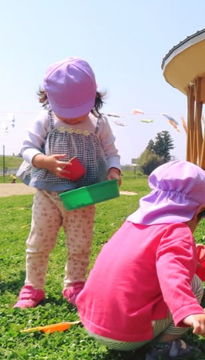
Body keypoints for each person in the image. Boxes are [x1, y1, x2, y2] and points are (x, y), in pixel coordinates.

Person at [76, 161, 205, 359]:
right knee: (195, 285)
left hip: (92, 321)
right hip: (125, 336)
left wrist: (189, 258)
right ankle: (164, 347)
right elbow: (171, 272)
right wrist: (188, 309)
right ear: (199, 210)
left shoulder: (133, 222)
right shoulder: (178, 230)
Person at [13, 57, 122, 309]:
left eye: (78, 111)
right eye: (66, 112)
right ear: (49, 100)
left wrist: (114, 170)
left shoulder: (99, 123)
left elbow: (111, 151)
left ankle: (75, 285)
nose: (73, 118)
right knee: (39, 241)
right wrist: (44, 161)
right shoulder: (46, 119)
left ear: (94, 99)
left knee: (80, 244)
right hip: (47, 194)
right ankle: (33, 287)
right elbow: (27, 148)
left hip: (83, 195)